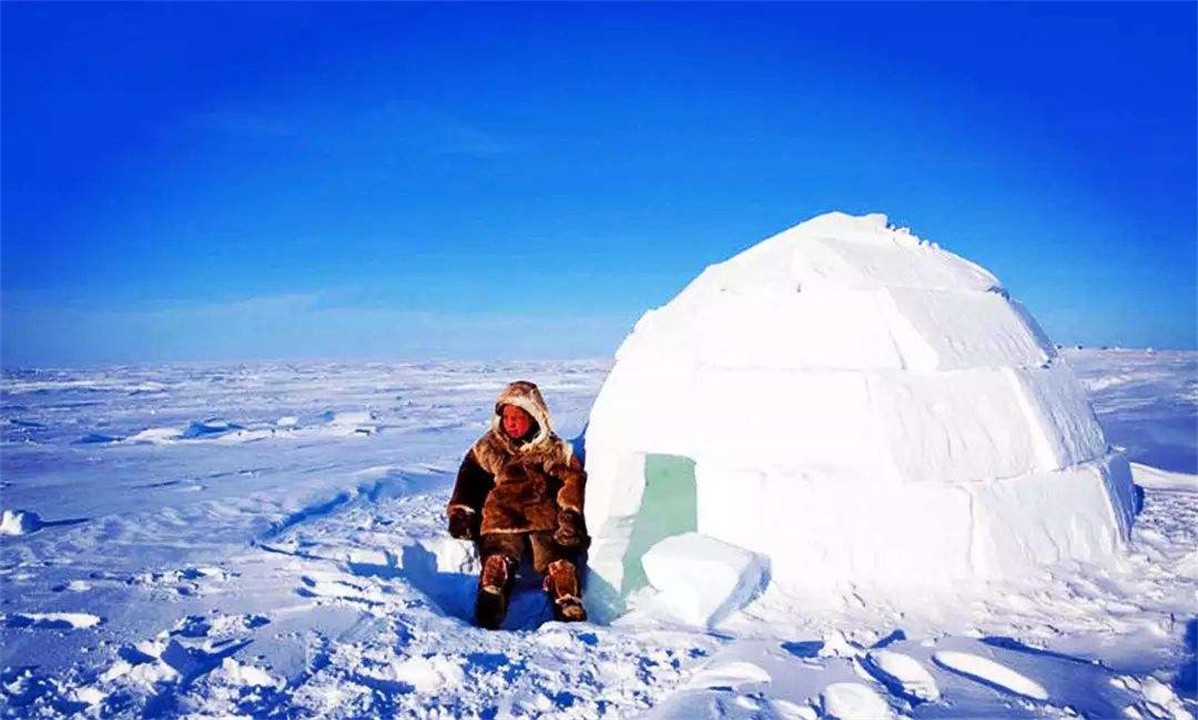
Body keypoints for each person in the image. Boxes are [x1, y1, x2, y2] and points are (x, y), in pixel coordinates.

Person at [446, 380, 589, 629]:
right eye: (506, 416)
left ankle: (567, 599)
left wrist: (570, 514)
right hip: (502, 516)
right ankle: (492, 594)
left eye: (518, 417)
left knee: (557, 557)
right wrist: (462, 511)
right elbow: (470, 479)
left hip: (542, 518)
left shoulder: (551, 449)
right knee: (498, 555)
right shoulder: (490, 447)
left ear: (535, 417)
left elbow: (571, 479)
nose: (510, 423)